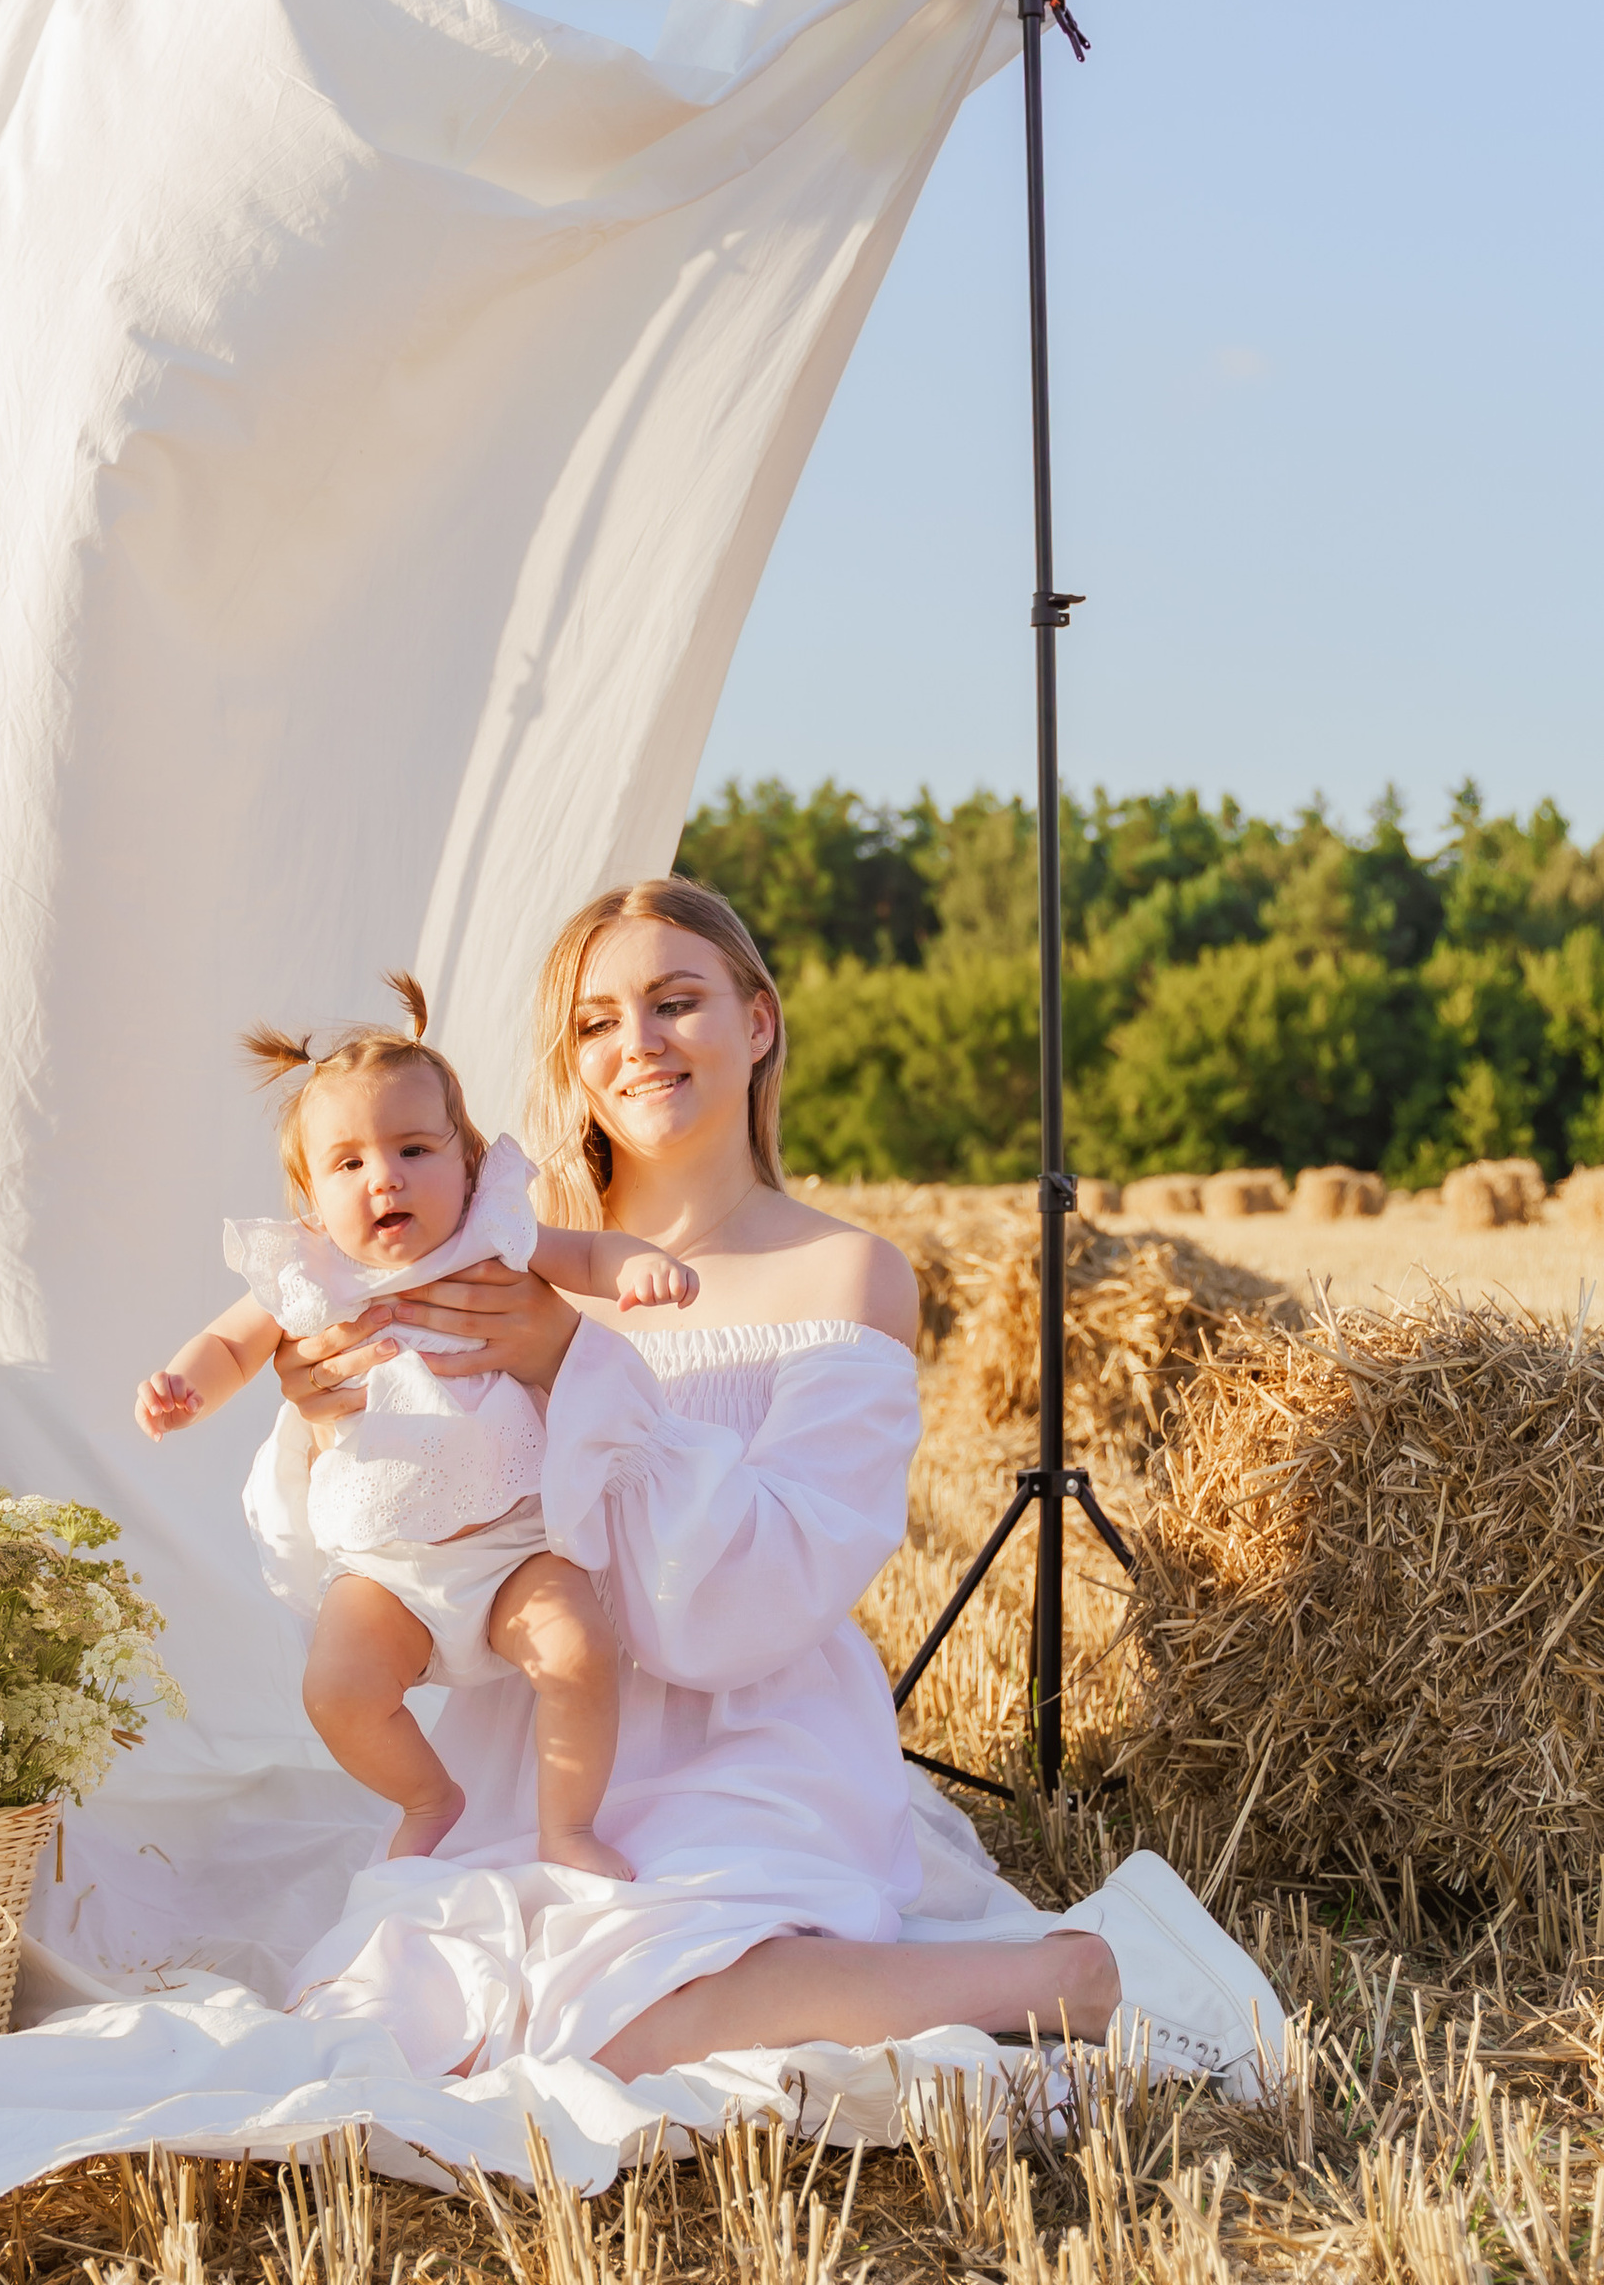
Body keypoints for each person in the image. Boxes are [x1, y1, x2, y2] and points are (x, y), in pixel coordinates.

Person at [266, 879, 1286, 2097]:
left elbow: (769, 1583)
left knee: (621, 2030)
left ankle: (1076, 1973)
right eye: (594, 1021)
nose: (634, 1042)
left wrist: (572, 1362)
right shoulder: (485, 1252)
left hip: (749, 1732)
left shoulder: (846, 1273)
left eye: (674, 1000)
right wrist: (327, 1424)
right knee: (405, 2029)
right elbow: (374, 1567)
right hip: (543, 1747)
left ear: (757, 1021)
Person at [135, 976, 697, 1880]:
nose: (385, 1177)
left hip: (517, 1539)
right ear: (311, 1200)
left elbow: (586, 1252)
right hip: (387, 1569)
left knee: (579, 1651)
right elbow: (232, 1346)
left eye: (413, 1149)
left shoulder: (493, 1235)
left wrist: (639, 1265)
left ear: (468, 1162)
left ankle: (570, 1830)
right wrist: (183, 1388)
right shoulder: (313, 1276)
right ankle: (431, 1798)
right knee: (338, 1691)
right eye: (349, 1164)